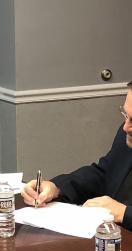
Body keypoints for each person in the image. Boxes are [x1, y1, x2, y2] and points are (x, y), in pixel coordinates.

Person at [22, 81, 132, 230]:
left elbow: (122, 212)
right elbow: (104, 174)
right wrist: (57, 187)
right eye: (126, 115)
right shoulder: (127, 133)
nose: (126, 127)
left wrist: (124, 213)